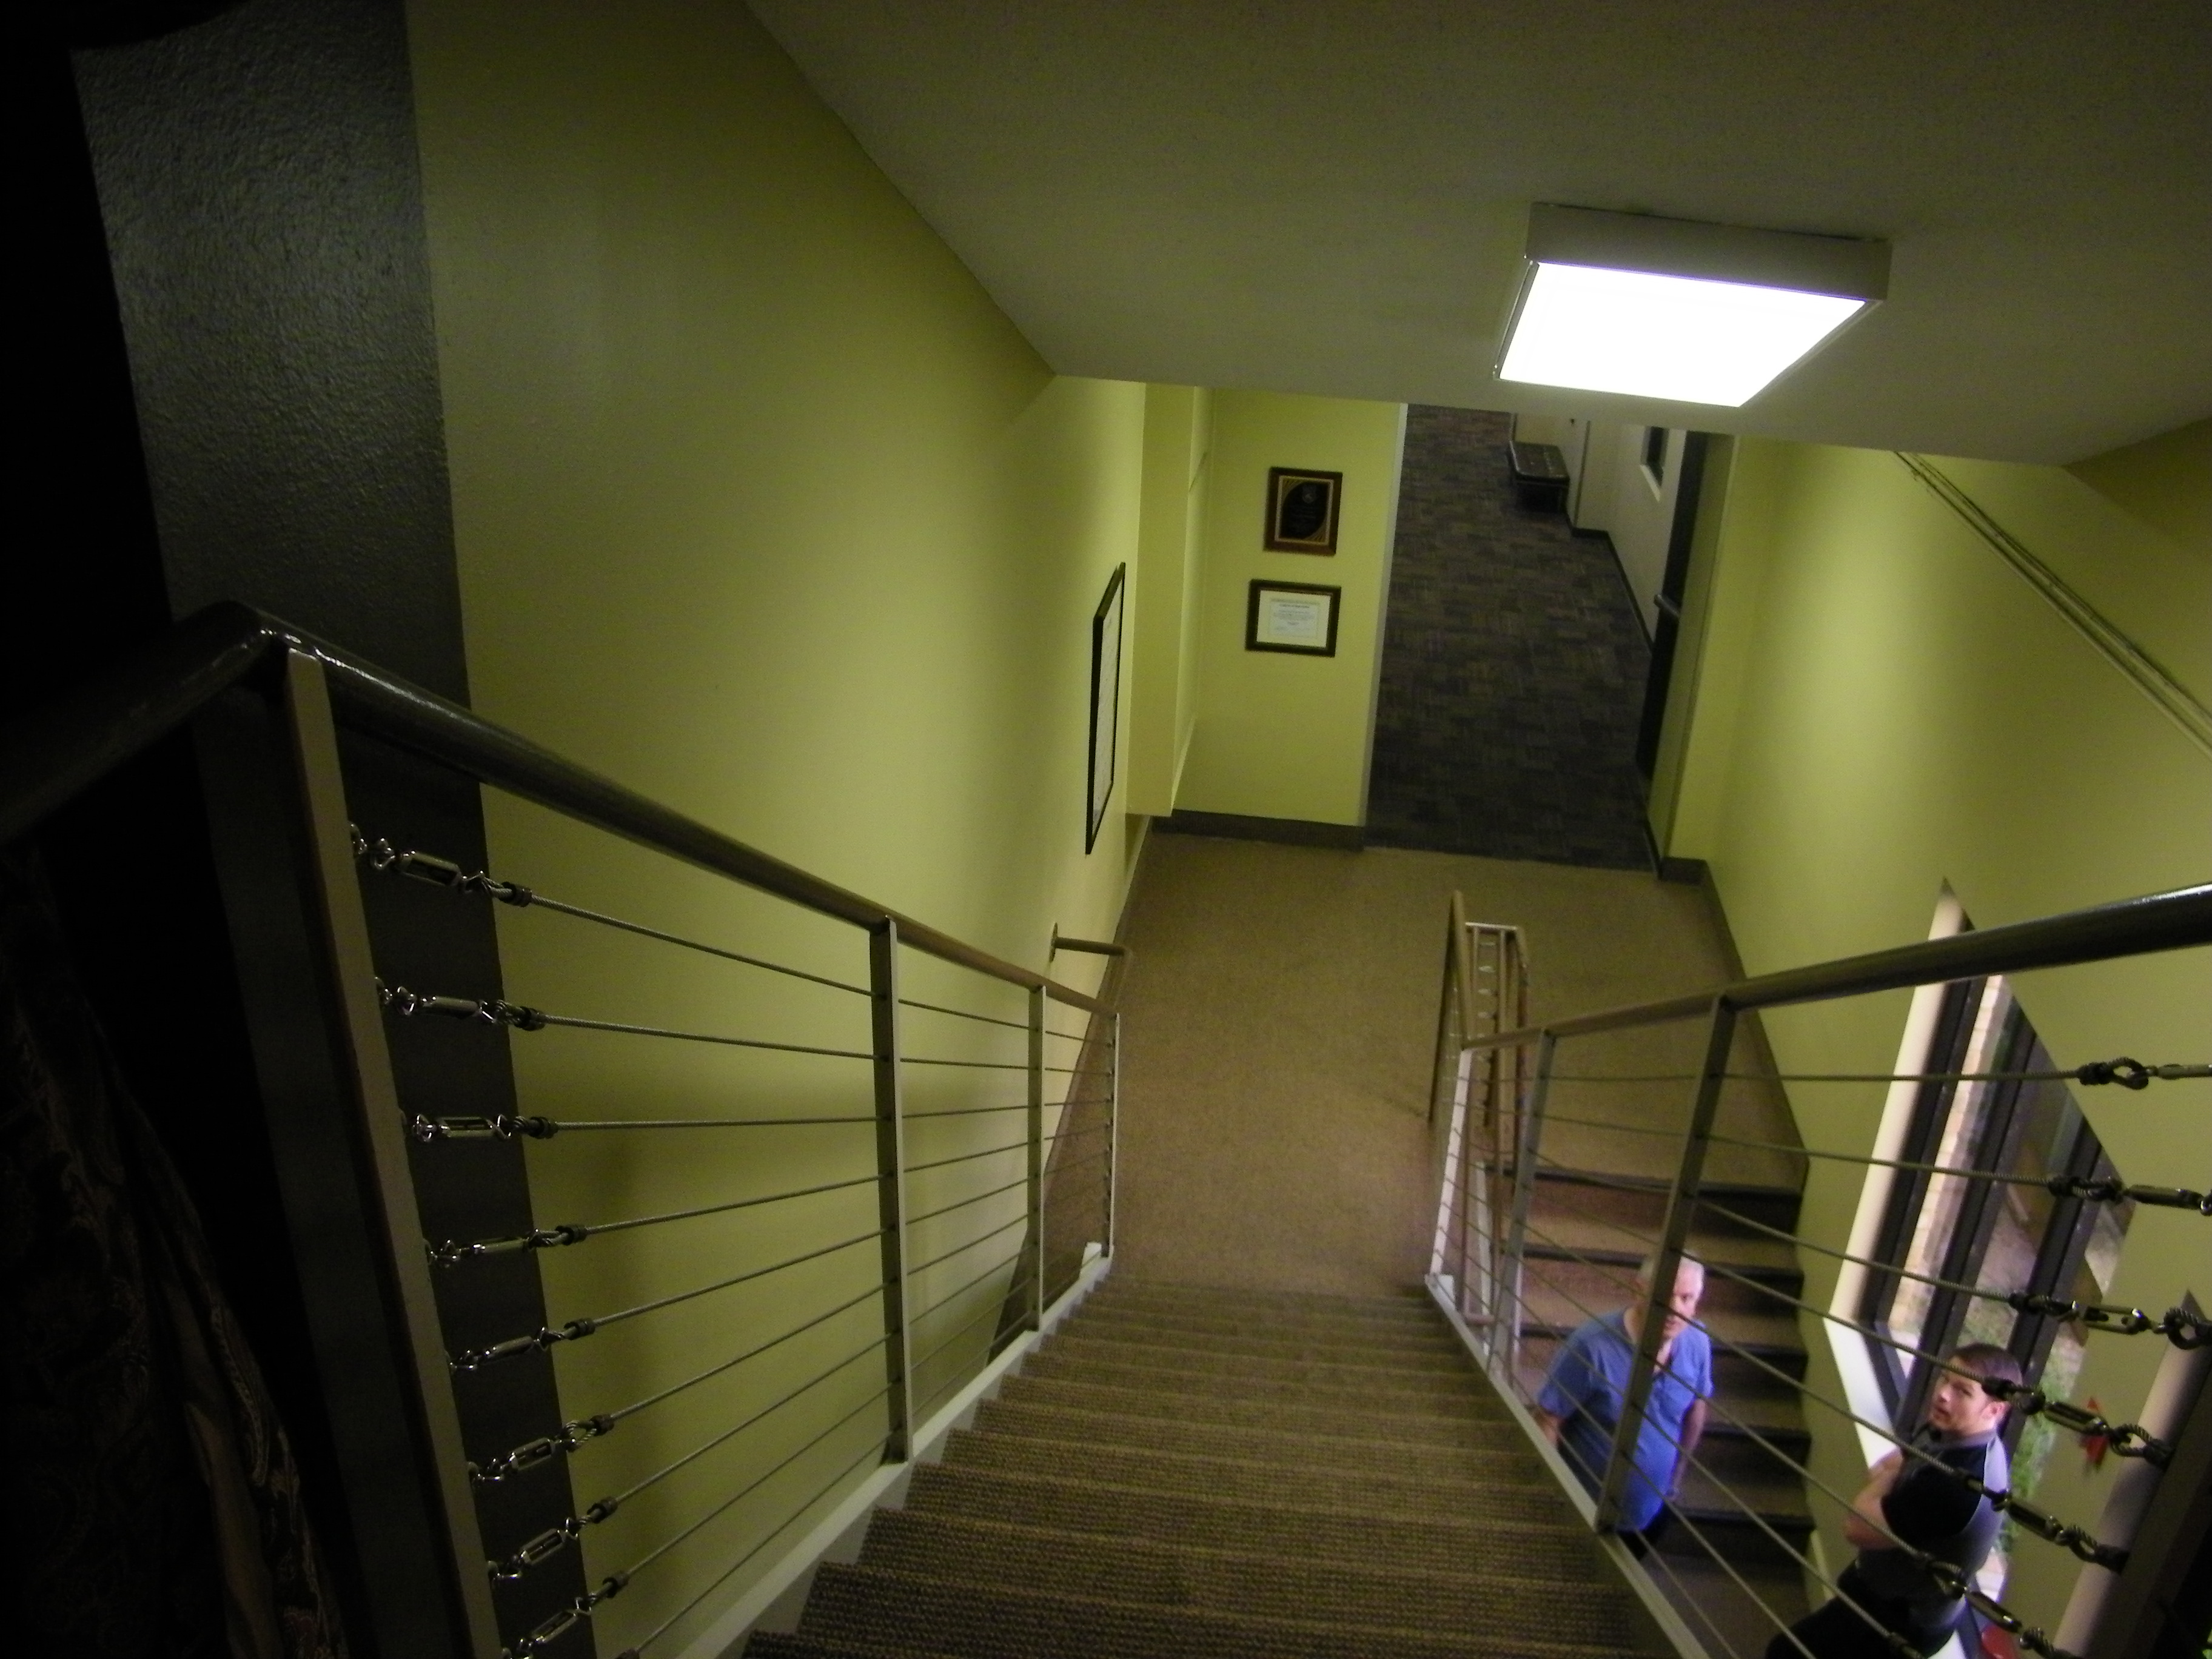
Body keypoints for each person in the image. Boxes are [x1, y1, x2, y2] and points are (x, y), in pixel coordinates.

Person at [1766, 1344, 2020, 1659]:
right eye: (1944, 1379)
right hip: (1879, 1591)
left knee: (1784, 1654)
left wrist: (1889, 1482)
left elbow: (1857, 1526)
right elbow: (1883, 1468)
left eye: (1963, 1391)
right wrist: (1890, 1481)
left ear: (1994, 1411)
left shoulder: (1959, 1485)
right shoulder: (1947, 1429)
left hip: (1903, 1622)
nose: (1943, 1395)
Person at [1533, 1250, 1712, 1552]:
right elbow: (1547, 1420)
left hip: (1652, 1512)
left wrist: (1677, 1476)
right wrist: (1559, 1500)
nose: (1674, 1310)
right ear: (1639, 1290)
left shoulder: (1698, 1344)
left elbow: (1696, 1408)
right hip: (1587, 1511)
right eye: (1665, 1296)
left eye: (1687, 1298)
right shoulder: (1591, 1347)